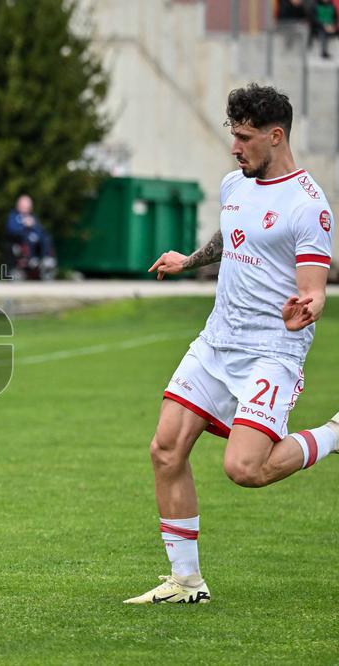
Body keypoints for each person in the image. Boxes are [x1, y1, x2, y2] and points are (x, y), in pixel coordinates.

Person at [126, 84, 336, 605]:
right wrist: (189, 261)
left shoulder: (309, 206)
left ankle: (334, 434)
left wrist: (305, 309)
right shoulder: (233, 184)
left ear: (276, 135)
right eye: (233, 135)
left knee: (245, 469)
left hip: (272, 350)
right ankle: (186, 583)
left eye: (244, 138)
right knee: (166, 448)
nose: (235, 147)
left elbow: (314, 290)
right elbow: (229, 235)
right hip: (217, 341)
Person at [5, 194, 56, 280]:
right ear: (18, 206)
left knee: (46, 238)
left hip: (36, 243)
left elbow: (40, 231)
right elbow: (11, 230)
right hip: (21, 241)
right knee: (28, 239)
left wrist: (33, 225)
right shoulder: (14, 217)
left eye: (27, 207)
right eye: (24, 207)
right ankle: (31, 260)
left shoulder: (33, 218)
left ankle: (45, 259)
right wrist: (24, 226)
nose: (26, 209)